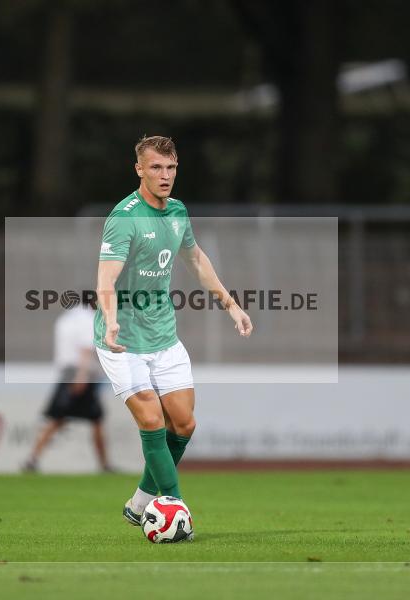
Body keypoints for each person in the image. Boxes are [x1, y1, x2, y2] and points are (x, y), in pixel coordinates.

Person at [94, 135, 252, 529]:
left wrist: (231, 304)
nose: (165, 176)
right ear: (139, 170)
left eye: (171, 168)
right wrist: (111, 320)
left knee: (183, 424)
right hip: (123, 342)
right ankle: (175, 509)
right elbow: (105, 282)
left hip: (163, 337)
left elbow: (195, 259)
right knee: (151, 420)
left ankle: (141, 502)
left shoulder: (178, 211)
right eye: (156, 168)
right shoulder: (125, 217)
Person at [24, 302, 112, 473]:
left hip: (67, 372)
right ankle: (105, 465)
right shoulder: (88, 318)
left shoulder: (65, 318)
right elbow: (85, 349)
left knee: (57, 419)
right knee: (96, 420)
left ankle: (32, 459)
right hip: (81, 373)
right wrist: (82, 376)